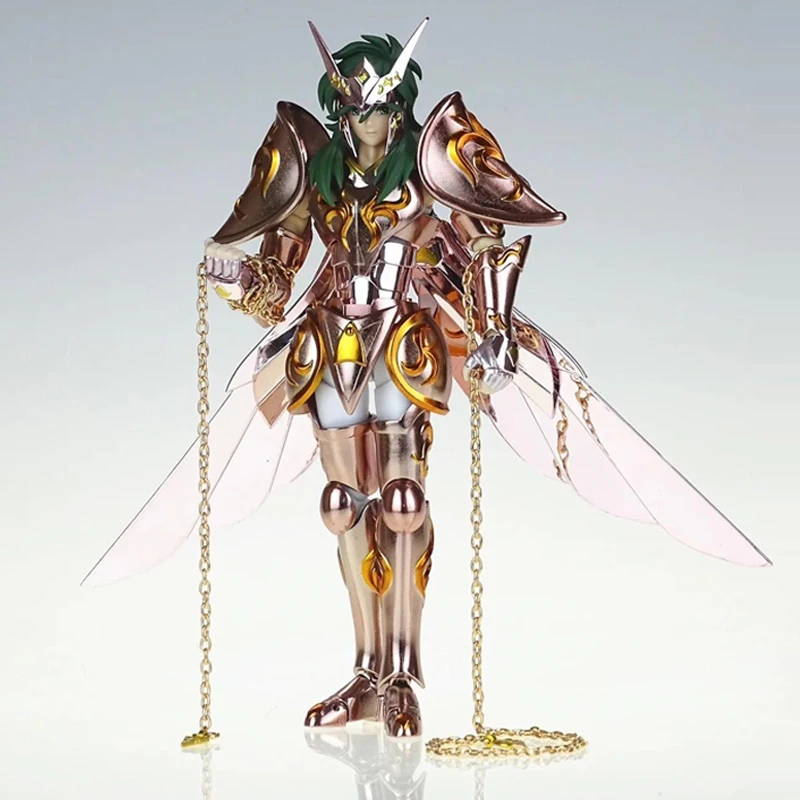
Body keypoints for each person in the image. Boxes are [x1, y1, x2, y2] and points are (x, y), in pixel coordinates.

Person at [85, 19, 770, 742]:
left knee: (403, 503)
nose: (367, 119)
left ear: (400, 104)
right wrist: (234, 277)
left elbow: (484, 243)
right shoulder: (314, 171)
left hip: (406, 345)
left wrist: (494, 330)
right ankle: (366, 673)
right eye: (354, 107)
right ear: (336, 108)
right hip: (329, 349)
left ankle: (403, 675)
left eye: (380, 105)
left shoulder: (429, 161)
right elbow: (274, 284)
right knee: (344, 506)